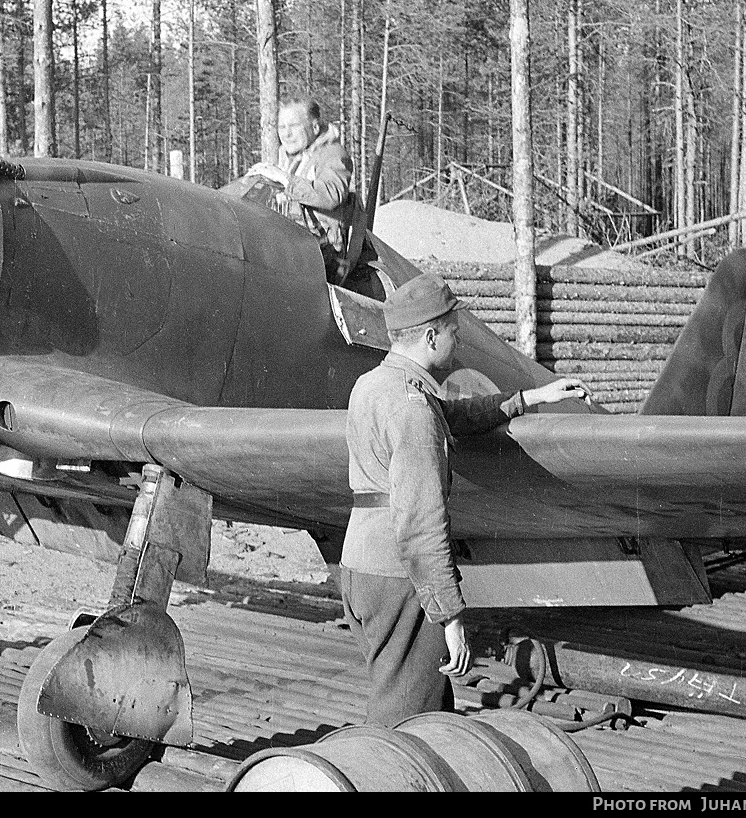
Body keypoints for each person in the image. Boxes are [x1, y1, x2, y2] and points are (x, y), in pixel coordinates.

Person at [341, 272, 591, 725]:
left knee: (414, 702)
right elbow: (421, 524)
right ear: (431, 335)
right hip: (401, 575)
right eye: (453, 328)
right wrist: (451, 616)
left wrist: (530, 397)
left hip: (361, 567)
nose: (458, 337)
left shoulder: (374, 385)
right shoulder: (412, 408)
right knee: (408, 723)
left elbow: (450, 415)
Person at [247, 99, 355, 282]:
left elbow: (331, 195)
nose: (286, 134)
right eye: (282, 127)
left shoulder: (332, 154)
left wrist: (285, 179)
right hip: (292, 246)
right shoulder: (290, 157)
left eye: (294, 126)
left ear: (314, 127)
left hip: (323, 256)